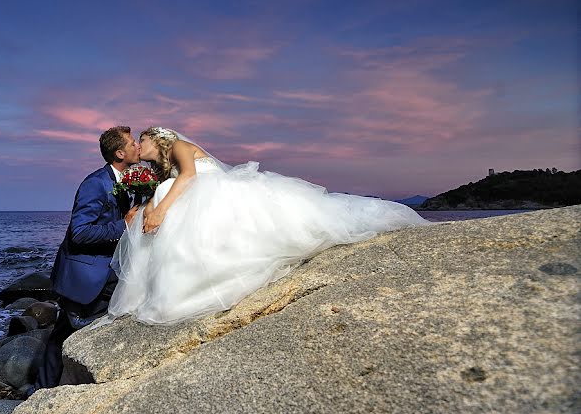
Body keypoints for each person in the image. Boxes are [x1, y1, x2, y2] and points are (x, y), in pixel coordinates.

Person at [108, 126, 430, 325]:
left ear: (158, 137)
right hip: (204, 205)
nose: (139, 145)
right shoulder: (163, 168)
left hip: (221, 197)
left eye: (142, 139)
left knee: (296, 225)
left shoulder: (178, 146)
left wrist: (160, 209)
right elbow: (171, 185)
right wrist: (147, 208)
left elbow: (190, 177)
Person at [33, 126, 141, 391]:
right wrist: (123, 226)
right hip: (85, 275)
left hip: (106, 271)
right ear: (119, 153)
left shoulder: (127, 180)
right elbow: (79, 233)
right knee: (63, 336)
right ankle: (40, 391)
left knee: (64, 335)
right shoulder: (96, 183)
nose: (137, 145)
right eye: (132, 143)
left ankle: (45, 388)